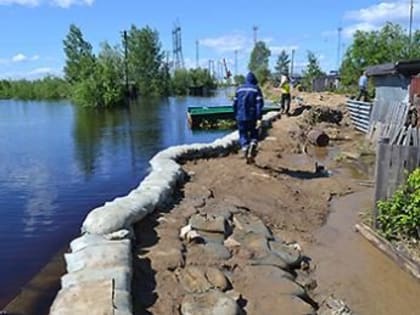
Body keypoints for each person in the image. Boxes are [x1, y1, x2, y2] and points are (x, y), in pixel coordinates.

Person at [233, 72, 264, 162]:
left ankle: (245, 147)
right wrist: (259, 117)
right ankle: (253, 144)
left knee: (242, 134)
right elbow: (259, 104)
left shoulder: (239, 89)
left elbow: (234, 104)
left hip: (240, 116)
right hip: (252, 116)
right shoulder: (256, 89)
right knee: (254, 132)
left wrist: (235, 114)